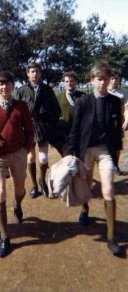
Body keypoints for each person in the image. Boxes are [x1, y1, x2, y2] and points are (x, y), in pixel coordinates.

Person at [67, 61, 123, 256]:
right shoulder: (83, 102)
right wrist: (72, 152)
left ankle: (111, 237)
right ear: (92, 80)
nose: (102, 83)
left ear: (110, 80)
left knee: (108, 189)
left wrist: (117, 155)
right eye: (99, 79)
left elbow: (117, 132)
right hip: (86, 150)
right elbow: (75, 129)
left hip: (105, 151)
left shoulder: (115, 102)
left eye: (106, 79)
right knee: (87, 184)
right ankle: (84, 209)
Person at [0, 71, 34, 257]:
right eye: (0, 84)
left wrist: (27, 150)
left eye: (7, 83)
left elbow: (29, 129)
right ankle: (5, 238)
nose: (4, 87)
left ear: (13, 86)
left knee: (20, 190)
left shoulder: (21, 106)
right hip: (0, 157)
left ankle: (17, 205)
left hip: (18, 153)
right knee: (0, 192)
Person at [15, 62, 61, 199]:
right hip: (27, 128)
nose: (35, 74)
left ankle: (43, 182)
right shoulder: (22, 90)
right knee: (30, 158)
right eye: (32, 71)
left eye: (37, 71)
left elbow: (56, 110)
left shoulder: (47, 90)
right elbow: (16, 111)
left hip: (42, 128)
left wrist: (49, 126)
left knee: (43, 157)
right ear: (28, 74)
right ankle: (35, 186)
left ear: (40, 73)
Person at [108, 69, 128, 175]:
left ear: (119, 79)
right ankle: (108, 167)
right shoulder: (104, 91)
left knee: (117, 146)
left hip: (118, 123)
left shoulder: (123, 93)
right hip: (105, 124)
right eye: (112, 78)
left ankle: (116, 165)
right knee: (106, 146)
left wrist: (127, 121)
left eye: (116, 78)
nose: (114, 80)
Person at [56, 71, 85, 156]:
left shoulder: (83, 96)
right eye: (67, 81)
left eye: (71, 81)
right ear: (64, 83)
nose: (69, 83)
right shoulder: (58, 98)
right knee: (68, 160)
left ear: (76, 81)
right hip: (65, 135)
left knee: (81, 159)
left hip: (80, 134)